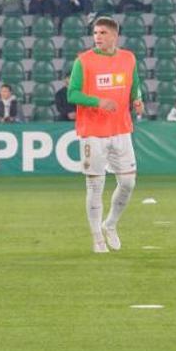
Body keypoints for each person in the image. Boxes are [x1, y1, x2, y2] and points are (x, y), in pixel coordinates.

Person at [66, 16, 144, 254]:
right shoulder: (84, 61)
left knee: (128, 183)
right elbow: (72, 94)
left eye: (102, 33)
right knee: (95, 186)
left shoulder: (128, 58)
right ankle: (97, 237)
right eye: (95, 33)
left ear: (114, 36)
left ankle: (110, 224)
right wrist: (98, 101)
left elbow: (135, 84)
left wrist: (137, 99)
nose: (97, 37)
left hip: (121, 130)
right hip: (93, 132)